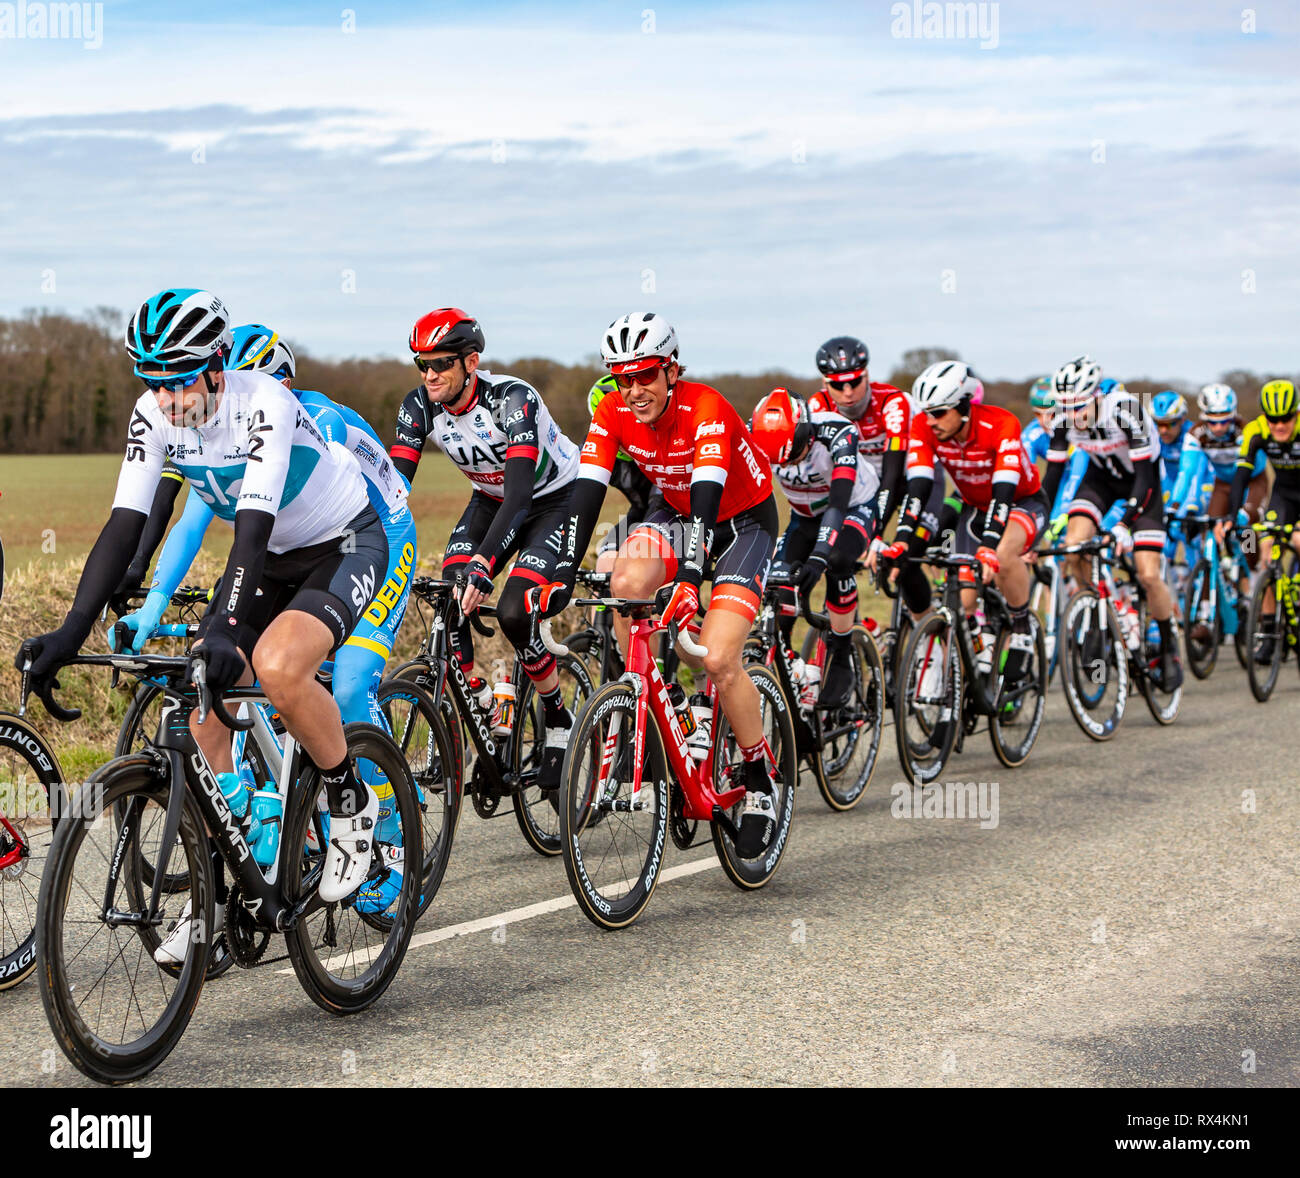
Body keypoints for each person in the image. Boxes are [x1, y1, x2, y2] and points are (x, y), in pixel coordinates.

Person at [16, 289, 390, 957]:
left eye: (179, 379)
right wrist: (70, 635)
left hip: (342, 543)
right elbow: (124, 525)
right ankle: (246, 848)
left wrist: (223, 629)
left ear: (218, 363)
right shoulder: (153, 415)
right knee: (201, 708)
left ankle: (349, 800)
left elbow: (249, 533)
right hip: (272, 560)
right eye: (152, 383)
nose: (166, 398)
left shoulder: (265, 405)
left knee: (276, 665)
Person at [115, 323, 419, 917]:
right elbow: (191, 525)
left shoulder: (316, 420)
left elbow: (384, 508)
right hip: (283, 559)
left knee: (351, 678)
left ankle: (386, 836)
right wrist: (151, 606)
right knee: (234, 681)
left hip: (373, 541)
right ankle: (252, 858)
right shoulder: (215, 436)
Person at [538, 312, 781, 859]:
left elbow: (706, 497)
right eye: (622, 378)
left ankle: (759, 774)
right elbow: (585, 495)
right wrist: (558, 571)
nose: (634, 389)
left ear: (672, 370)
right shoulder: (612, 410)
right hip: (676, 516)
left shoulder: (707, 408)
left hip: (738, 521)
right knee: (624, 579)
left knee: (718, 659)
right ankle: (655, 699)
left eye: (644, 374)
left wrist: (692, 579)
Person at [390, 308, 580, 790]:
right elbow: (393, 487)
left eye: (440, 365)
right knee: (449, 594)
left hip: (550, 500)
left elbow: (520, 497)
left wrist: (484, 565)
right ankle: (477, 702)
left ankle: (558, 717)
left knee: (515, 613)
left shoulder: (512, 400)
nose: (429, 375)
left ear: (470, 362)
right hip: (490, 499)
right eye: (422, 365)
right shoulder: (419, 405)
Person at [880, 361, 1046, 683]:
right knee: (964, 599)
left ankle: (1023, 627)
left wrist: (988, 545)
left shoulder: (1002, 424)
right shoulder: (923, 427)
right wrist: (902, 537)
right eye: (926, 412)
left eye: (939, 413)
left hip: (1020, 502)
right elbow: (919, 486)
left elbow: (1004, 489)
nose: (930, 421)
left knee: (1001, 553)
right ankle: (977, 651)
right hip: (974, 505)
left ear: (963, 406)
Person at [1040, 355, 1182, 689]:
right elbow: (1052, 478)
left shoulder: (1126, 410)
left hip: (1142, 485)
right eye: (1065, 407)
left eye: (1079, 407)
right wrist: (1035, 525)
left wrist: (1123, 525)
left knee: (1147, 573)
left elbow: (1145, 478)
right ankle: (1095, 617)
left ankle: (1169, 642)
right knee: (1074, 548)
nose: (1072, 416)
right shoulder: (1060, 421)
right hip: (1100, 480)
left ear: (1096, 397)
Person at [749, 387, 879, 706]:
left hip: (852, 508)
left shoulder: (837, 432)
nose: (788, 465)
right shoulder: (753, 433)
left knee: (836, 559)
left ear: (804, 433)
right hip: (803, 517)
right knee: (779, 589)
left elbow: (837, 503)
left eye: (793, 455)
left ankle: (842, 653)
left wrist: (819, 557)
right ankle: (787, 671)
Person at [808, 337, 934, 566]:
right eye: (838, 385)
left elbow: (892, 473)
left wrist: (876, 532)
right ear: (825, 383)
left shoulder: (893, 402)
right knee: (841, 554)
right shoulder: (817, 407)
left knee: (905, 556)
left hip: (907, 479)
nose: (848, 392)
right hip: (865, 485)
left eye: (855, 382)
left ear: (866, 375)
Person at [1228, 379, 1300, 663]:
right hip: (1282, 494)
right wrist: (1232, 516)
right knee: (1267, 556)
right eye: (1273, 419)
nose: (1279, 425)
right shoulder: (1255, 430)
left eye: (1286, 419)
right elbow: (1241, 475)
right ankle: (1269, 634)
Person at [586, 372, 663, 579]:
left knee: (647, 564)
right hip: (639, 512)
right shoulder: (595, 448)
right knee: (605, 566)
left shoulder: (662, 445)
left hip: (676, 514)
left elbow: (659, 504)